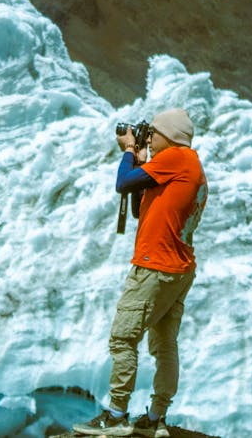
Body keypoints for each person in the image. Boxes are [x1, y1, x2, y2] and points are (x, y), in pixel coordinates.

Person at [73, 108, 209, 437]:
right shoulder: (189, 166)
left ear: (169, 135)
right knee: (164, 344)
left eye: (154, 133)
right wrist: (143, 158)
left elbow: (123, 183)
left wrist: (131, 151)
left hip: (154, 267)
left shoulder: (177, 157)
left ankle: (117, 414)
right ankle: (156, 418)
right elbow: (138, 207)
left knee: (123, 339)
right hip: (178, 269)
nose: (150, 138)